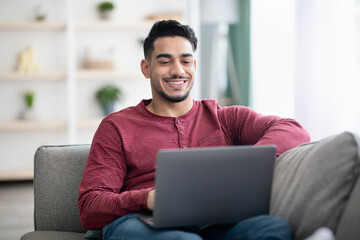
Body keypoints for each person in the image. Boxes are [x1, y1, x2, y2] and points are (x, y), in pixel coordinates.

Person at [78, 20, 310, 240]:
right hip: (141, 220)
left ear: (194, 66)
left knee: (274, 228)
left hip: (214, 222)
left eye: (186, 61)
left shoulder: (225, 117)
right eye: (165, 61)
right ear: (146, 68)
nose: (178, 70)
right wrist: (146, 199)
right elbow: (90, 206)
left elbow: (293, 129)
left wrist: (243, 172)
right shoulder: (117, 126)